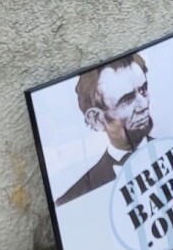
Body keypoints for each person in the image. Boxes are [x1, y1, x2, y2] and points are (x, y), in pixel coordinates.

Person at [55, 54, 153, 206]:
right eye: (127, 99)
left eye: (143, 90)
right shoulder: (73, 200)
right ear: (96, 119)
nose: (143, 104)